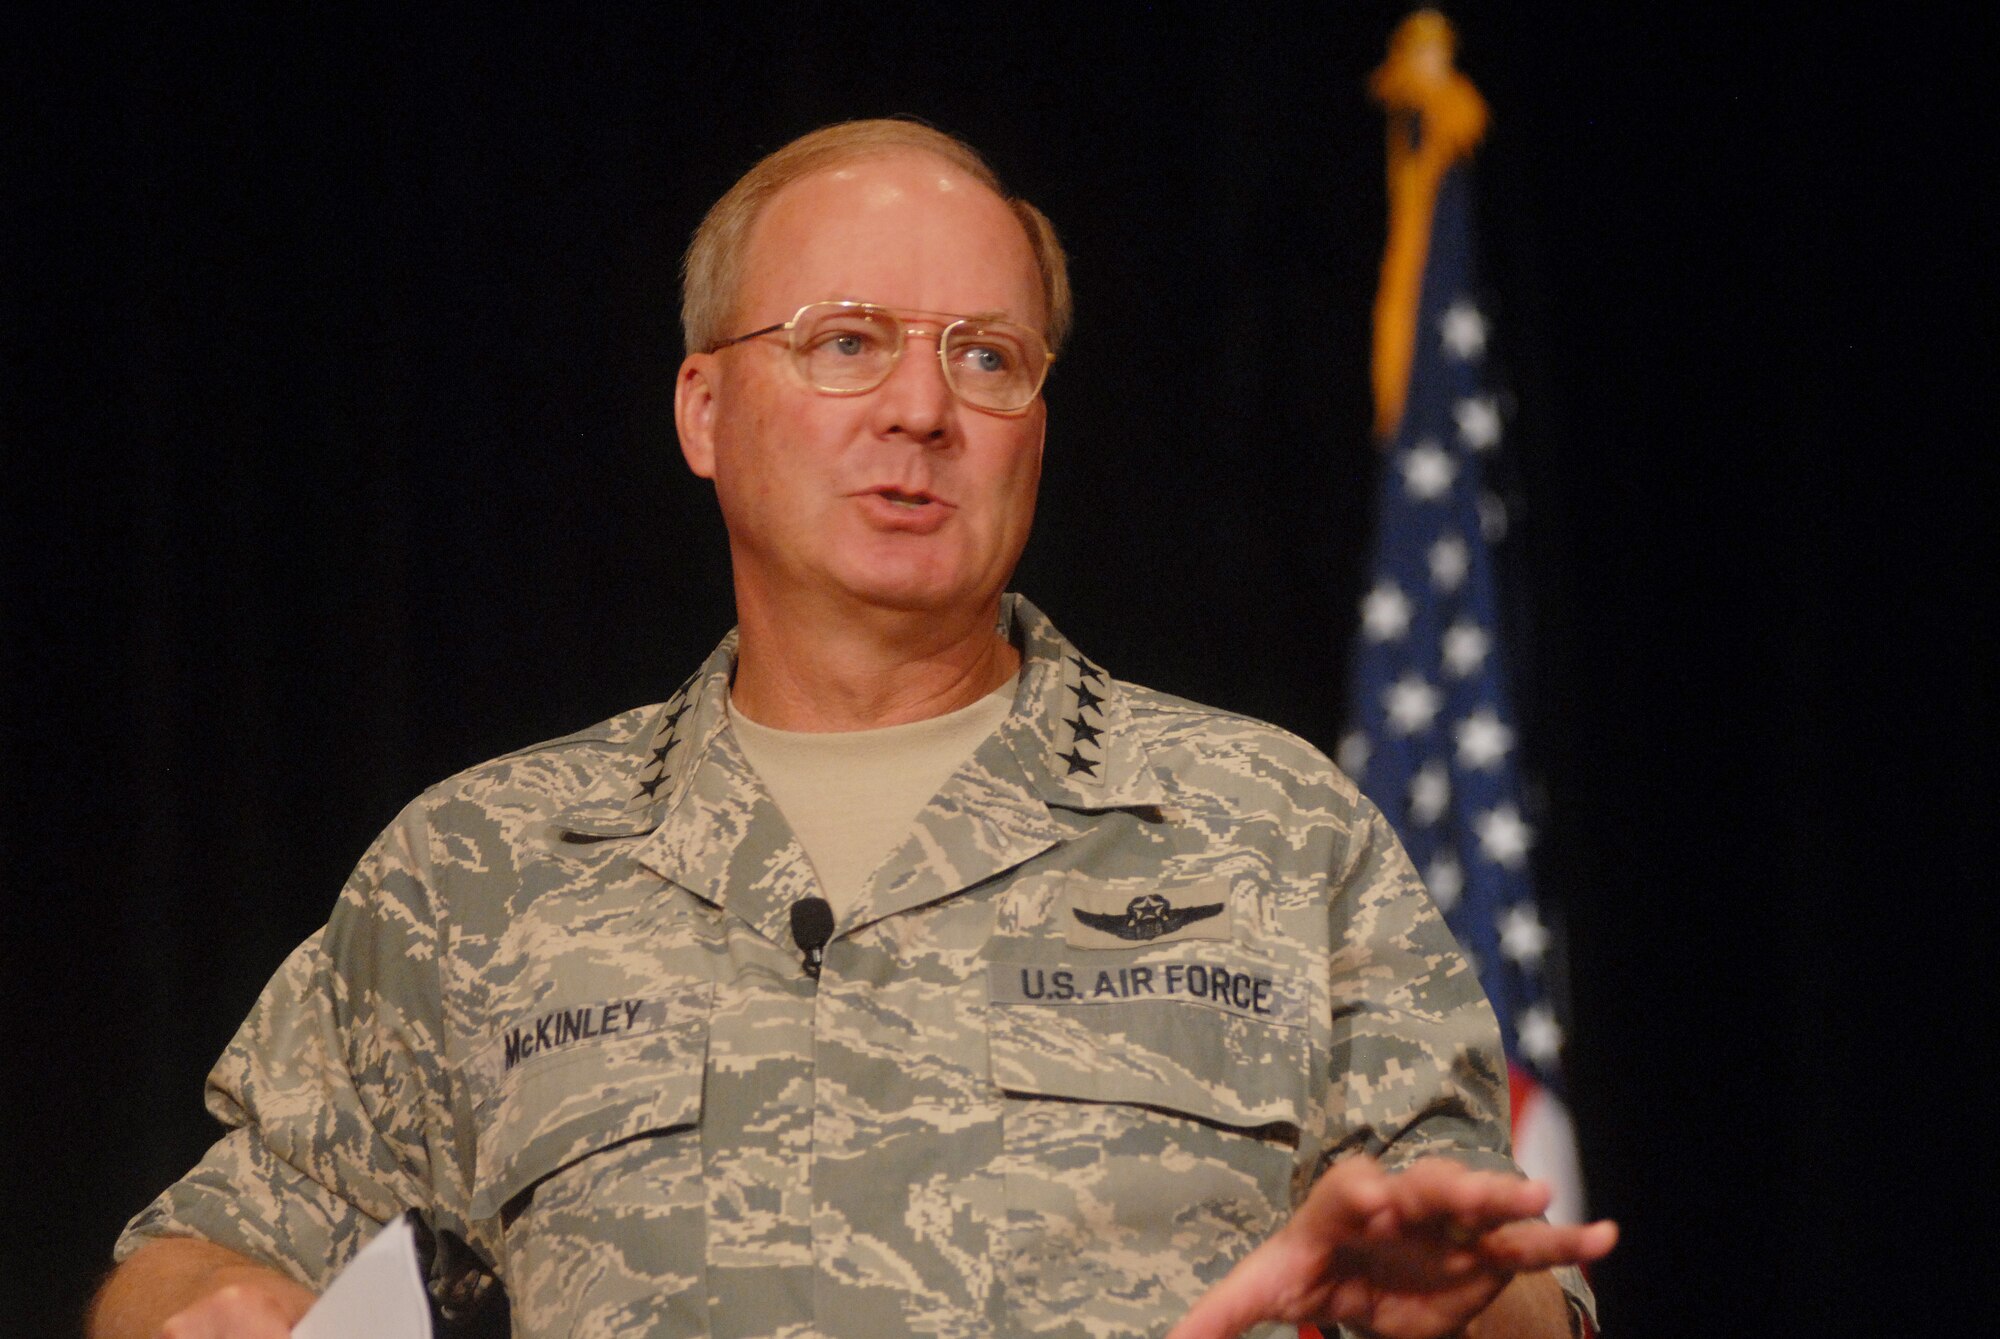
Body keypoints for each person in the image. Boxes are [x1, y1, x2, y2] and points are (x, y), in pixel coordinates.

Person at [90, 119, 1615, 1339]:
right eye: (844, 342)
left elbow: (1513, 1278)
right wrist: (199, 1312)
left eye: (986, 357)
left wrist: (1463, 1312)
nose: (921, 409)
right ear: (703, 409)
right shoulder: (481, 867)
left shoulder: (1272, 827)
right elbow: (199, 1255)